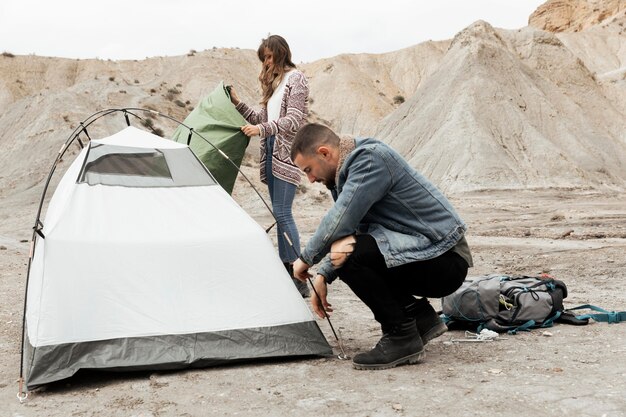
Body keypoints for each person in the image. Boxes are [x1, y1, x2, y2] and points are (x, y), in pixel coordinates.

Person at [291, 123, 473, 370]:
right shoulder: (346, 174)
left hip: (445, 257)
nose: (310, 179)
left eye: (309, 170)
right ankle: (420, 318)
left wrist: (306, 258)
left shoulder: (369, 160)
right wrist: (324, 274)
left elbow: (341, 219)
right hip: (424, 254)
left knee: (349, 255)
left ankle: (401, 336)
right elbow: (351, 233)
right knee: (348, 252)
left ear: (325, 153)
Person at [228, 35, 309, 297]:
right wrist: (237, 103)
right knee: (279, 214)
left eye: (269, 56)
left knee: (284, 213)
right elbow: (259, 118)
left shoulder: (296, 79)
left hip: (286, 154)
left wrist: (261, 128)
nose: (266, 62)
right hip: (271, 151)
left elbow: (295, 119)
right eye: (263, 58)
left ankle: (298, 275)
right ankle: (289, 271)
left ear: (281, 53)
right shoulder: (274, 86)